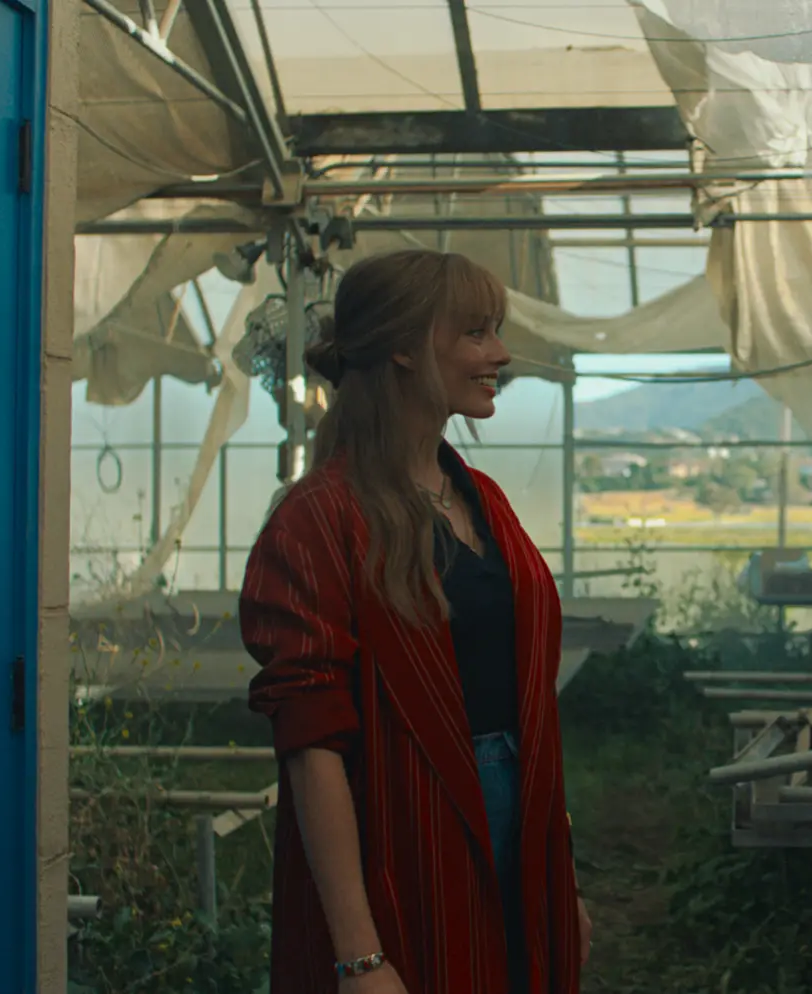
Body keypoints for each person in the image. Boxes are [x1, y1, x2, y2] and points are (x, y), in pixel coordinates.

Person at [242, 249, 591, 994]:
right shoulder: (319, 521)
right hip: (405, 832)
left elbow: (527, 707)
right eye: (475, 333)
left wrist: (561, 880)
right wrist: (359, 957)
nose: (500, 353)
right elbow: (313, 749)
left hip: (518, 822)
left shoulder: (483, 500)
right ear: (403, 347)